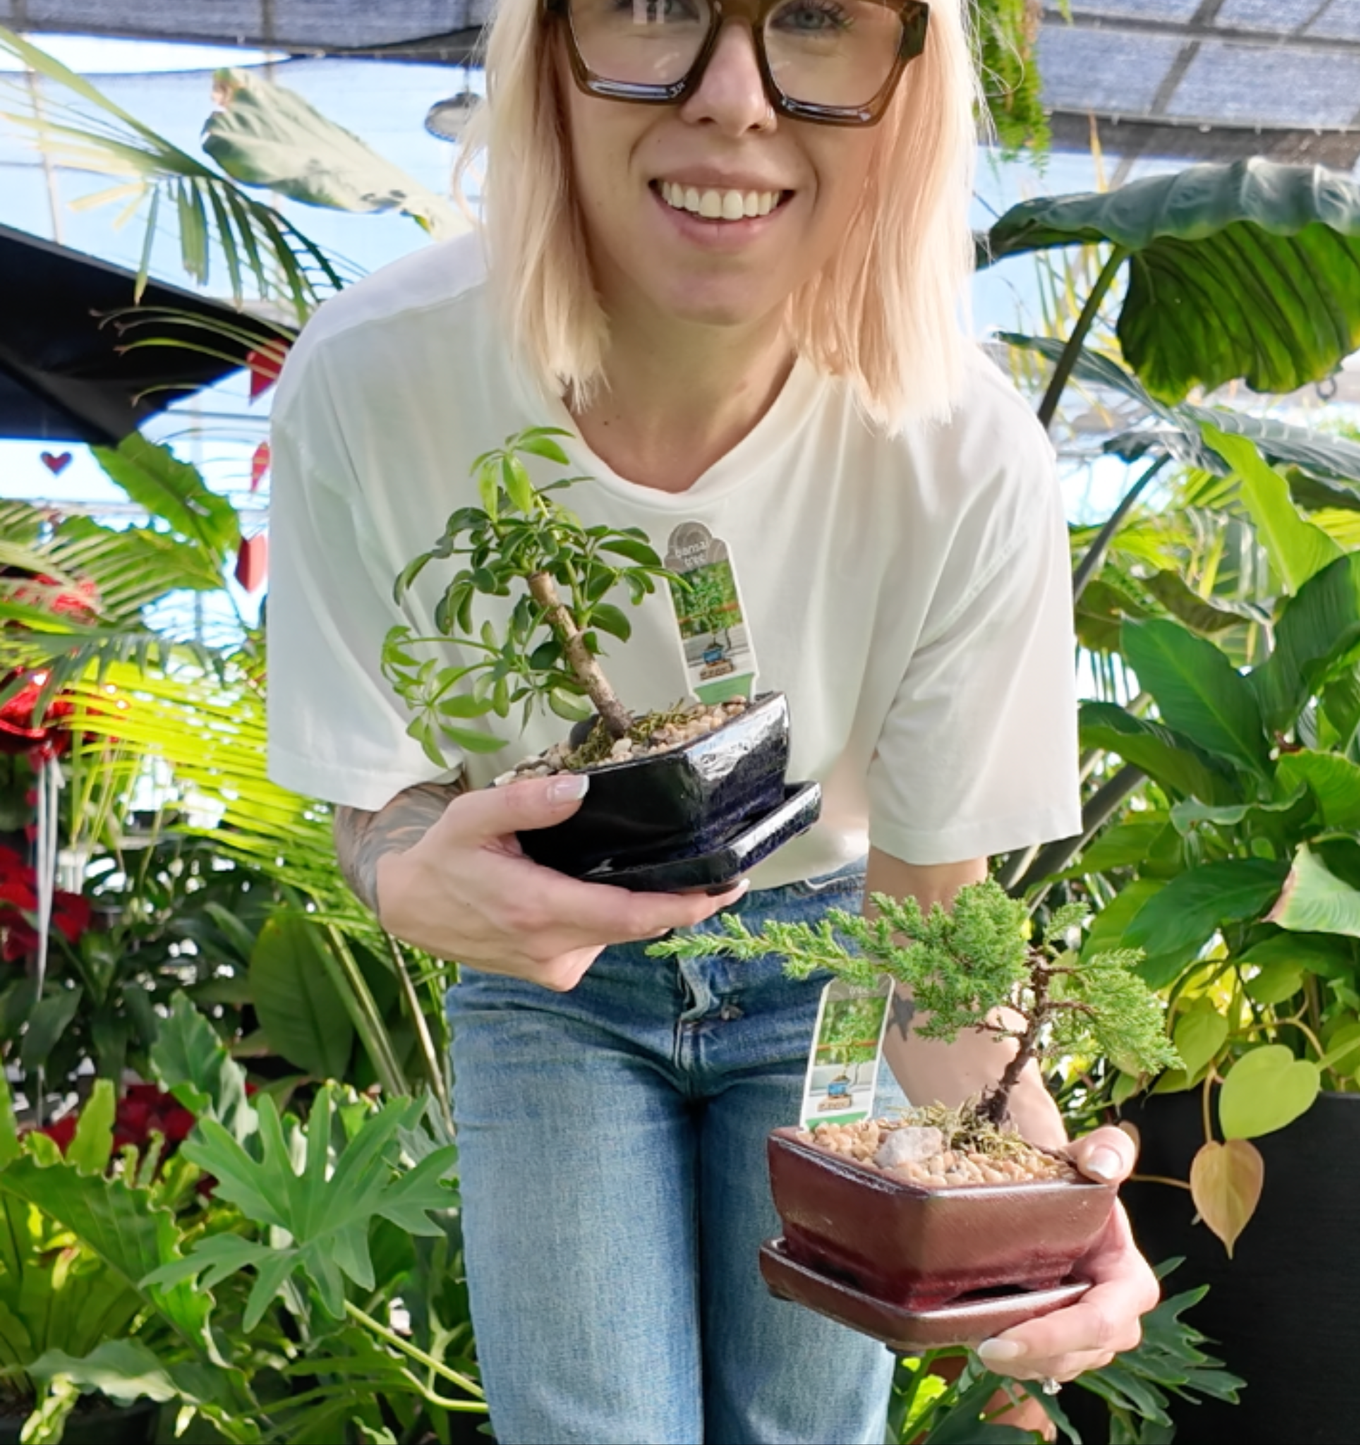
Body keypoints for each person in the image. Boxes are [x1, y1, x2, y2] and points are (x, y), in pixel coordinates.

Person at [265, 0, 1160, 1439]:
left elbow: (924, 912)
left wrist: (1041, 1203)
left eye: (812, 19)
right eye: (662, 5)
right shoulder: (381, 383)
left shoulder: (961, 453)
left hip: (833, 972)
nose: (733, 97)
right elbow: (378, 795)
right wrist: (405, 874)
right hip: (551, 985)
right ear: (546, 46)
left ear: (908, 80)